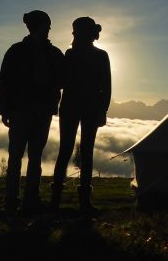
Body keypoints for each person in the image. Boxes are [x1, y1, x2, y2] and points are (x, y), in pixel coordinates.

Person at [0, 10, 64, 214]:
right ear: (40, 26)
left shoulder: (16, 51)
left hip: (23, 111)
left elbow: (5, 82)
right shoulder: (53, 54)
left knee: (19, 156)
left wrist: (4, 109)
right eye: (47, 26)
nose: (49, 30)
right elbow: (5, 82)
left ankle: (15, 200)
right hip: (35, 111)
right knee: (30, 156)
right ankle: (27, 200)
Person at [50, 16, 111, 214]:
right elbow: (106, 87)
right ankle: (84, 202)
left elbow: (60, 82)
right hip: (90, 108)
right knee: (86, 152)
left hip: (70, 107)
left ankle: (55, 201)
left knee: (65, 151)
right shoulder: (101, 56)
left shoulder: (70, 54)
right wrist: (103, 110)